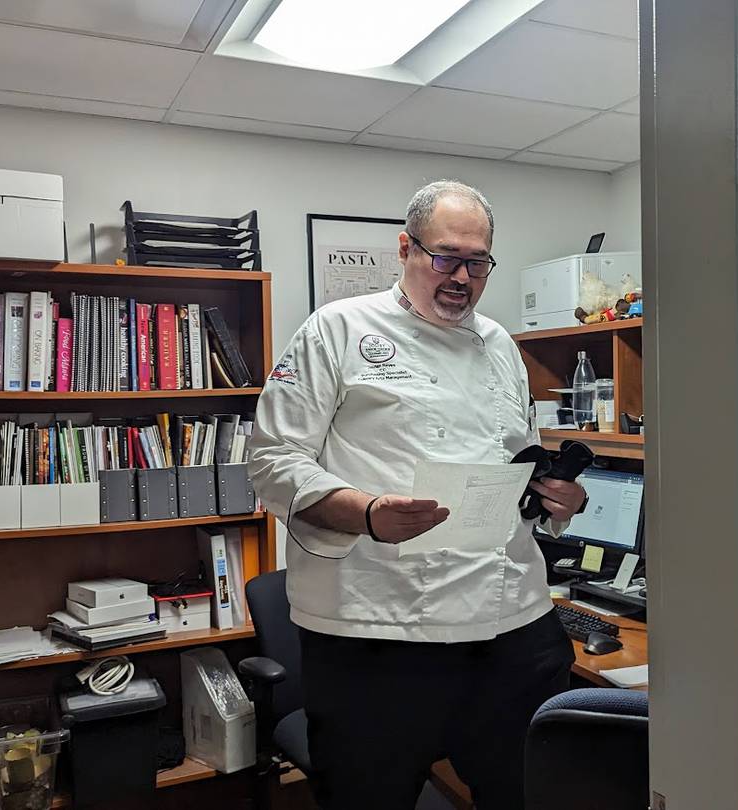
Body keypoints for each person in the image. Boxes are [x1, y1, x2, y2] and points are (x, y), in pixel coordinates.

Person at [248, 180, 589, 810]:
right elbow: (271, 461)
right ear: (405, 248)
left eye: (478, 263)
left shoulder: (502, 347)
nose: (462, 276)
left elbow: (513, 468)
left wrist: (554, 500)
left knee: (532, 794)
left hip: (510, 621)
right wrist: (368, 514)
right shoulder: (338, 330)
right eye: (446, 257)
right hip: (378, 630)